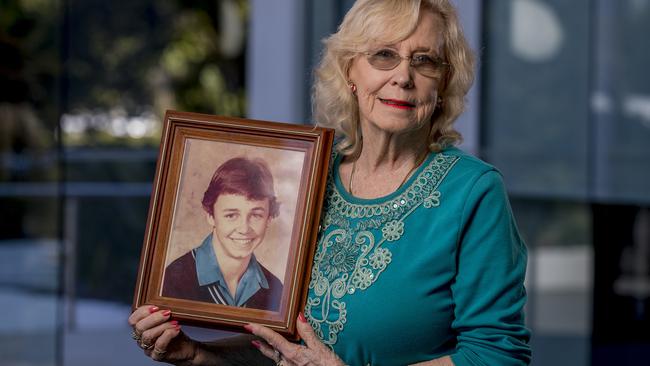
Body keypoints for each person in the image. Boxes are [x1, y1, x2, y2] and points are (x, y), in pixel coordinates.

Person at [129, 1, 532, 365]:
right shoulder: (307, 178)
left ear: (442, 85)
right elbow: (283, 352)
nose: (404, 76)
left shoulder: (474, 192)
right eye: (384, 55)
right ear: (350, 71)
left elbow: (497, 355)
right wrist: (195, 354)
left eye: (425, 60)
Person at [161, 156, 284, 311]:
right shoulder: (174, 279)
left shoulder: (276, 289)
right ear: (211, 216)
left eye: (256, 215)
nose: (244, 229)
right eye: (231, 215)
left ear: (269, 219)